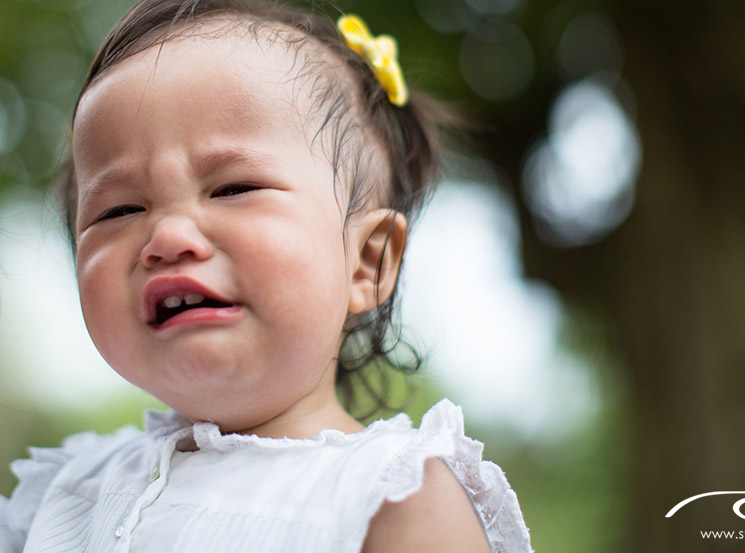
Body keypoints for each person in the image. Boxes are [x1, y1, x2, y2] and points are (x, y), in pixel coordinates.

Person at [0, 0, 532, 551]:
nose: (167, 238)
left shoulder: (393, 495)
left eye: (233, 189)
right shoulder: (64, 492)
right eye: (119, 211)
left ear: (367, 262)